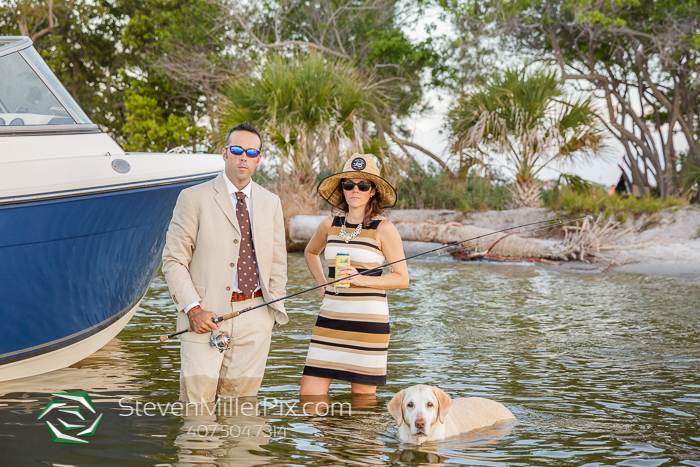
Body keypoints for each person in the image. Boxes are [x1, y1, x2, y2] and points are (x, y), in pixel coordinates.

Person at [162, 122, 288, 403]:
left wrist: (270, 309)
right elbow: (173, 260)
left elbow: (278, 262)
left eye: (251, 152)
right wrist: (193, 309)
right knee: (197, 404)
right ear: (225, 153)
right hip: (204, 316)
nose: (244, 156)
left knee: (242, 406)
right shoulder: (193, 198)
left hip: (256, 315)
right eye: (237, 149)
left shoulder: (271, 202)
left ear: (259, 158)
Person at [300, 153, 409, 395]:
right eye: (349, 184)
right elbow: (310, 253)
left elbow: (402, 278)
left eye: (363, 185)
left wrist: (361, 279)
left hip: (368, 324)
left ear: (373, 191)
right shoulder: (329, 224)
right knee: (308, 397)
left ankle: (353, 435)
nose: (355, 190)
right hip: (330, 319)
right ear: (342, 189)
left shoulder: (384, 228)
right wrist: (322, 284)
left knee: (362, 406)